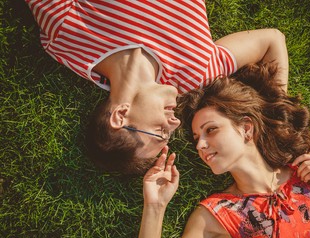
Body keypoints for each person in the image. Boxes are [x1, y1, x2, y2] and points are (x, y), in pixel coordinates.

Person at [135, 62, 310, 238]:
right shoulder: (215, 215)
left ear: (246, 128)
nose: (200, 145)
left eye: (211, 130)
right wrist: (155, 206)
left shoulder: (304, 170)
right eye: (197, 138)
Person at [25, 0, 289, 174]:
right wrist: (277, 128)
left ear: (120, 115)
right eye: (169, 132)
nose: (174, 123)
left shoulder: (70, 35)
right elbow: (271, 40)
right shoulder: (193, 76)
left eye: (159, 131)